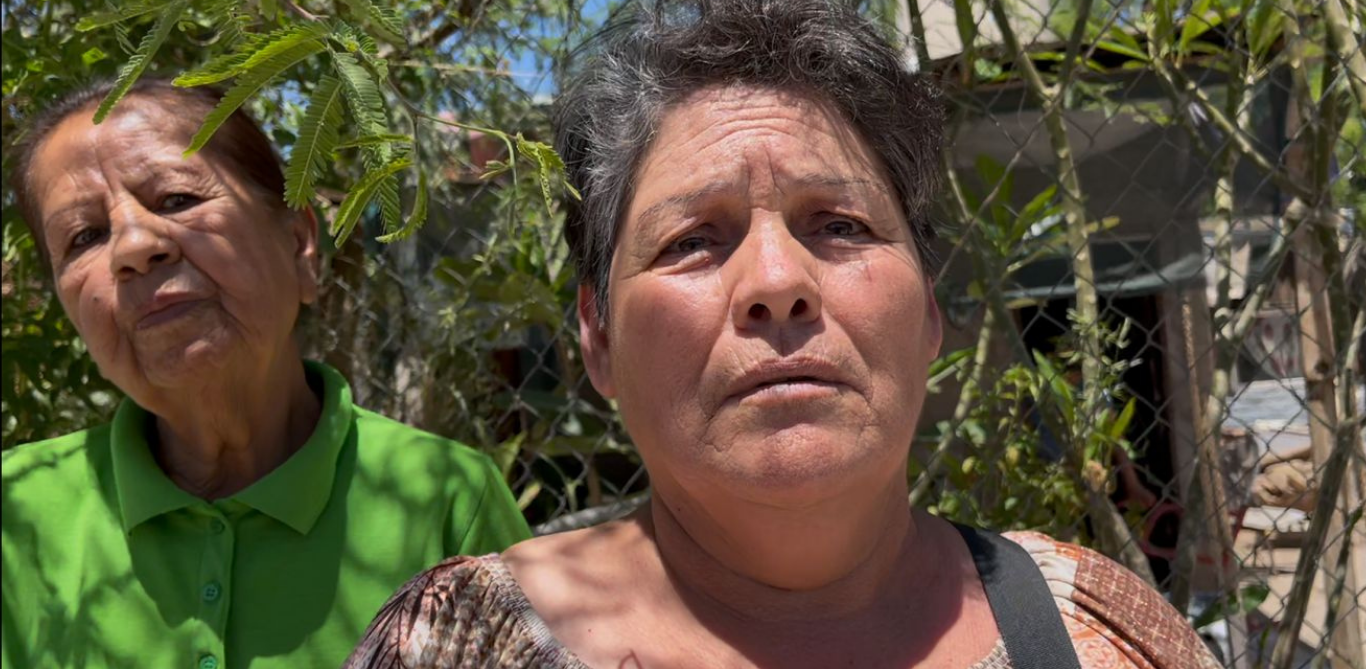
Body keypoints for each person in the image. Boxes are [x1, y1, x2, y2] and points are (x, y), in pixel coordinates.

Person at [345, 0, 1221, 666]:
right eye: (692, 240)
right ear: (598, 336)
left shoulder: (1092, 632)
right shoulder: (461, 645)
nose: (776, 282)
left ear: (928, 312)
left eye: (839, 225)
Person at [1, 79, 530, 669]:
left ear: (300, 245)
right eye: (84, 237)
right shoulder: (16, 511)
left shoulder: (446, 499)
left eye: (176, 199)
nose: (134, 245)